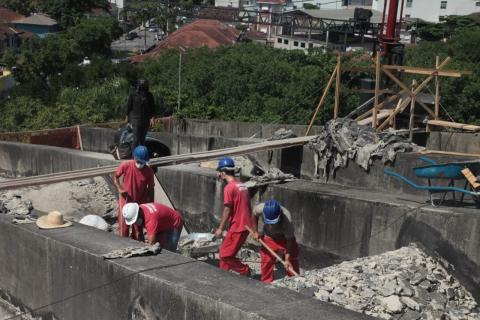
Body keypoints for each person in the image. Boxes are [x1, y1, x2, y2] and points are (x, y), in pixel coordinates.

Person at [214, 156, 252, 276]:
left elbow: (227, 209)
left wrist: (220, 228)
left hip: (238, 226)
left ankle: (245, 270)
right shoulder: (242, 185)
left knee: (224, 255)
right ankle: (222, 275)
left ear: (223, 173)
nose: (219, 176)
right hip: (245, 225)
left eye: (220, 173)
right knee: (227, 254)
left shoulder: (229, 187)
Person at [250, 199, 300, 283]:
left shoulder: (287, 218)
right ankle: (266, 281)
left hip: (284, 237)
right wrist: (255, 231)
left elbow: (289, 240)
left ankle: (294, 280)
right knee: (266, 259)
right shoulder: (260, 208)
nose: (271, 225)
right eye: (269, 222)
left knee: (292, 258)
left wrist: (287, 259)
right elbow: (254, 214)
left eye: (274, 222)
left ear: (279, 215)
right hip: (269, 236)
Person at [113, 145, 154, 240]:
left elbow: (151, 189)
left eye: (142, 162)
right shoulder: (126, 165)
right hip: (125, 202)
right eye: (139, 161)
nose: (140, 164)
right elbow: (115, 177)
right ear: (134, 158)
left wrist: (151, 204)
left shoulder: (148, 171)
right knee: (124, 230)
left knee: (138, 231)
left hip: (139, 205)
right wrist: (119, 188)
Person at [125, 78, 155, 148]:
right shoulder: (133, 94)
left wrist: (152, 118)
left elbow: (152, 108)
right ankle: (134, 156)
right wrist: (127, 116)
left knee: (142, 140)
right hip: (135, 119)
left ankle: (141, 156)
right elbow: (129, 106)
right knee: (136, 140)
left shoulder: (149, 95)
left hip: (145, 120)